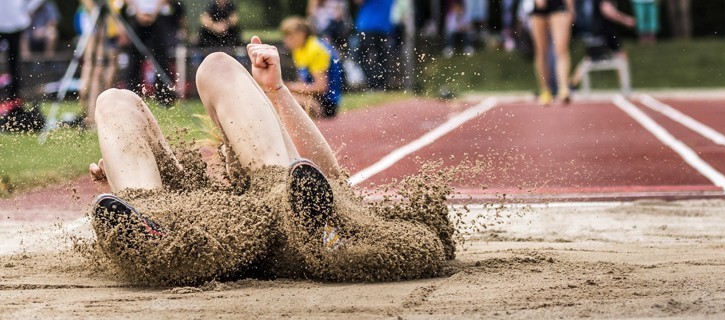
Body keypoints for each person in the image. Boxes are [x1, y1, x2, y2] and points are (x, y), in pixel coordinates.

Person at [87, 36, 452, 284]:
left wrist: (276, 90)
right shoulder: (204, 194)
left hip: (280, 214)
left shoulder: (286, 171)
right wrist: (120, 183)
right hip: (193, 228)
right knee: (113, 101)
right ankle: (142, 227)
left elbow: (328, 175)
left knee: (217, 65)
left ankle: (317, 229)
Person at [280, 17, 343, 118]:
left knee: (280, 99)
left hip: (327, 104)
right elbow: (303, 83)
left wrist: (288, 87)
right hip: (312, 98)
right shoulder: (299, 50)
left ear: (302, 34)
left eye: (290, 36)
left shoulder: (315, 49)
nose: (286, 40)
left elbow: (321, 87)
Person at [78, 0, 127, 127]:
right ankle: (89, 114)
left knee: (108, 66)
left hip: (109, 22)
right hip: (95, 19)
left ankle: (99, 109)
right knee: (94, 67)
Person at [123, 0, 177, 106]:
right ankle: (131, 94)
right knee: (134, 59)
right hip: (136, 16)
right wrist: (138, 12)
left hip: (159, 15)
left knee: (161, 58)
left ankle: (163, 95)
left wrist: (154, 12)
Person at [570, 0, 635, 87]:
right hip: (602, 31)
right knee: (591, 58)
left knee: (620, 55)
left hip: (606, 30)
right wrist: (625, 20)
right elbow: (607, 10)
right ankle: (573, 83)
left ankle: (626, 84)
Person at [529, 0, 574, 106]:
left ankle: (563, 88)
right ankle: (545, 90)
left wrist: (571, 8)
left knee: (561, 49)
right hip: (539, 9)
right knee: (541, 51)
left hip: (558, 6)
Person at [353, 0, 394, 90]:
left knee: (360, 56)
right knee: (382, 57)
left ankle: (373, 83)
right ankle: (381, 84)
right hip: (384, 27)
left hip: (368, 26)